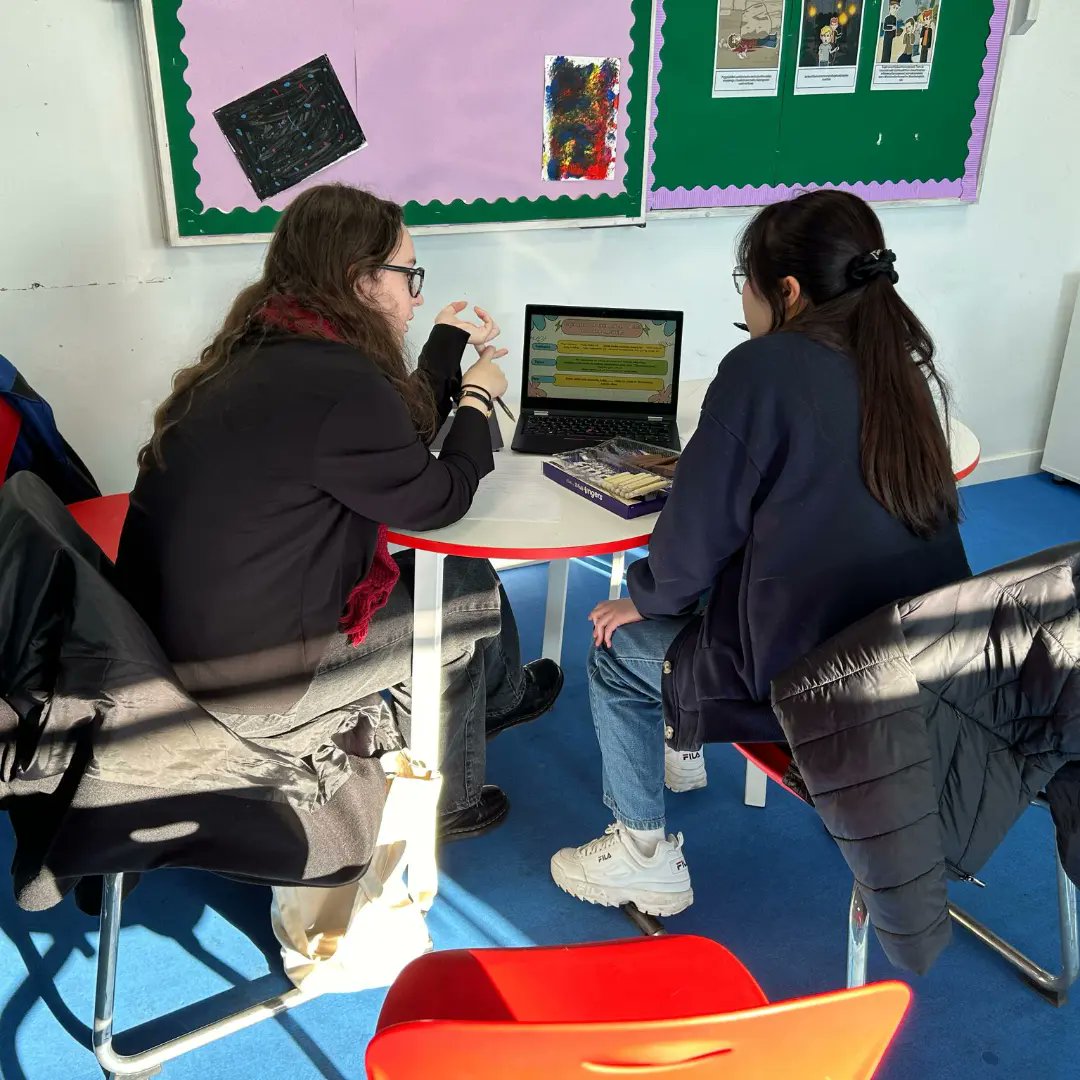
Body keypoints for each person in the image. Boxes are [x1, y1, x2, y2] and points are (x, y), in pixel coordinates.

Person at [550, 190, 971, 916]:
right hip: (927, 663)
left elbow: (688, 551)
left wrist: (642, 597)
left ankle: (641, 854)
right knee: (712, 589)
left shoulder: (761, 367)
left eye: (744, 286)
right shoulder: (902, 365)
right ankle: (680, 751)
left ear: (788, 290)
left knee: (616, 646)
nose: (743, 305)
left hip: (812, 680)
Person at [115, 183, 563, 842]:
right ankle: (450, 799)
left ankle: (491, 702)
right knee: (466, 591)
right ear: (359, 281)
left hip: (180, 641)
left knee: (460, 579)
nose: (415, 296)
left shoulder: (268, 347)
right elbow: (436, 497)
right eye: (409, 277)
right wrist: (475, 399)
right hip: (253, 677)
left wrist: (441, 341)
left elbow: (390, 440)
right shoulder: (341, 386)